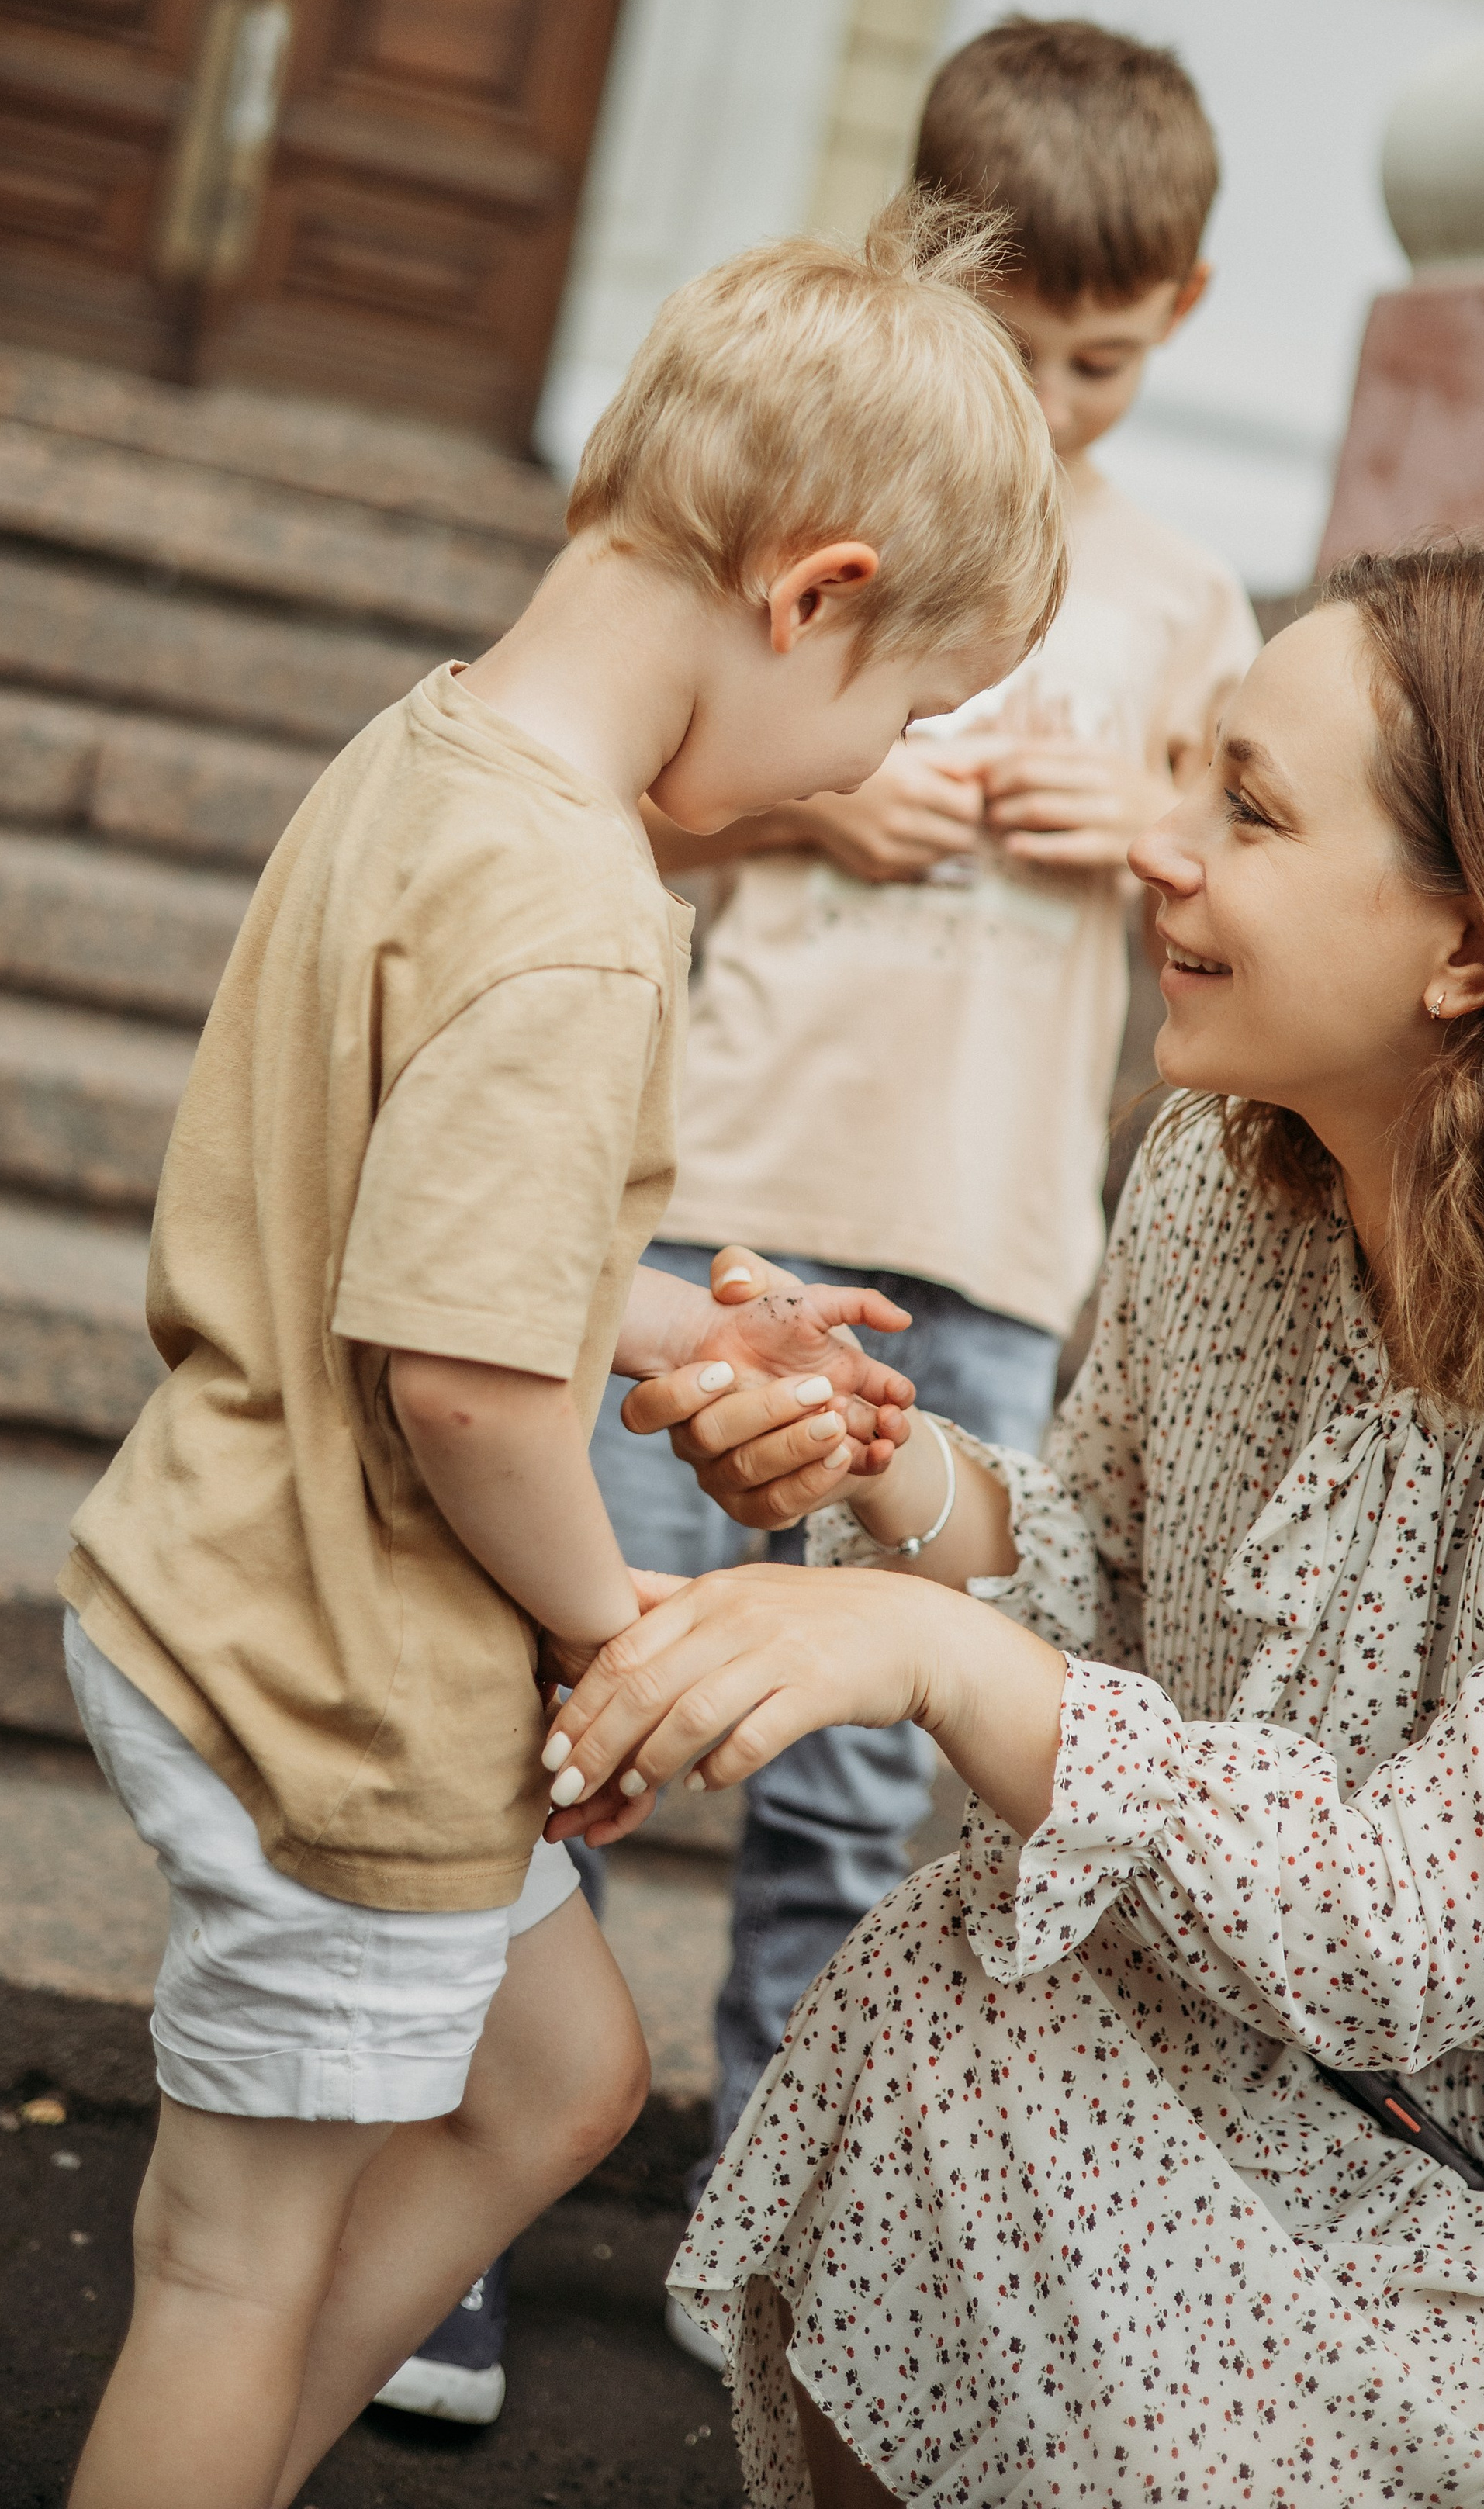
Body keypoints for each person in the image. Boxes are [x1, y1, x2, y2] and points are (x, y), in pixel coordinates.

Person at [547, 536, 1484, 2507]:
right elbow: (1099, 1564)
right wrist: (878, 1459)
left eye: (1250, 809)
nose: (1157, 846)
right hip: (1264, 2053)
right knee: (955, 1995)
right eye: (1190, 774)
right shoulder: (1232, 1148)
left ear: (1468, 949)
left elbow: (1402, 1929)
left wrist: (933, 1655)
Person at [52, 197, 1066, 2509]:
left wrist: (686, 1312)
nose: (850, 775)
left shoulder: (434, 761)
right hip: (346, 1685)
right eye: (890, 716)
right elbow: (466, 1388)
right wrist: (622, 1651)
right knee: (228, 2274)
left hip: (230, 1586)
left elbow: (420, 1238)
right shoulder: (587, 918)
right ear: (811, 595)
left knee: (559, 2079)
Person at [582, 22, 1258, 2376]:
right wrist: (802, 806)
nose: (1050, 407)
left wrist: (1145, 831)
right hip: (735, 1215)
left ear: (1174, 315)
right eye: (1004, 352)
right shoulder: (795, 505)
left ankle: (776, 2255)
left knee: (862, 1803)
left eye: (1090, 360)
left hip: (976, 1265)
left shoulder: (1184, 592)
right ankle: (428, 2181)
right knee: (572, 1697)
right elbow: (608, 779)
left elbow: (1258, 880)